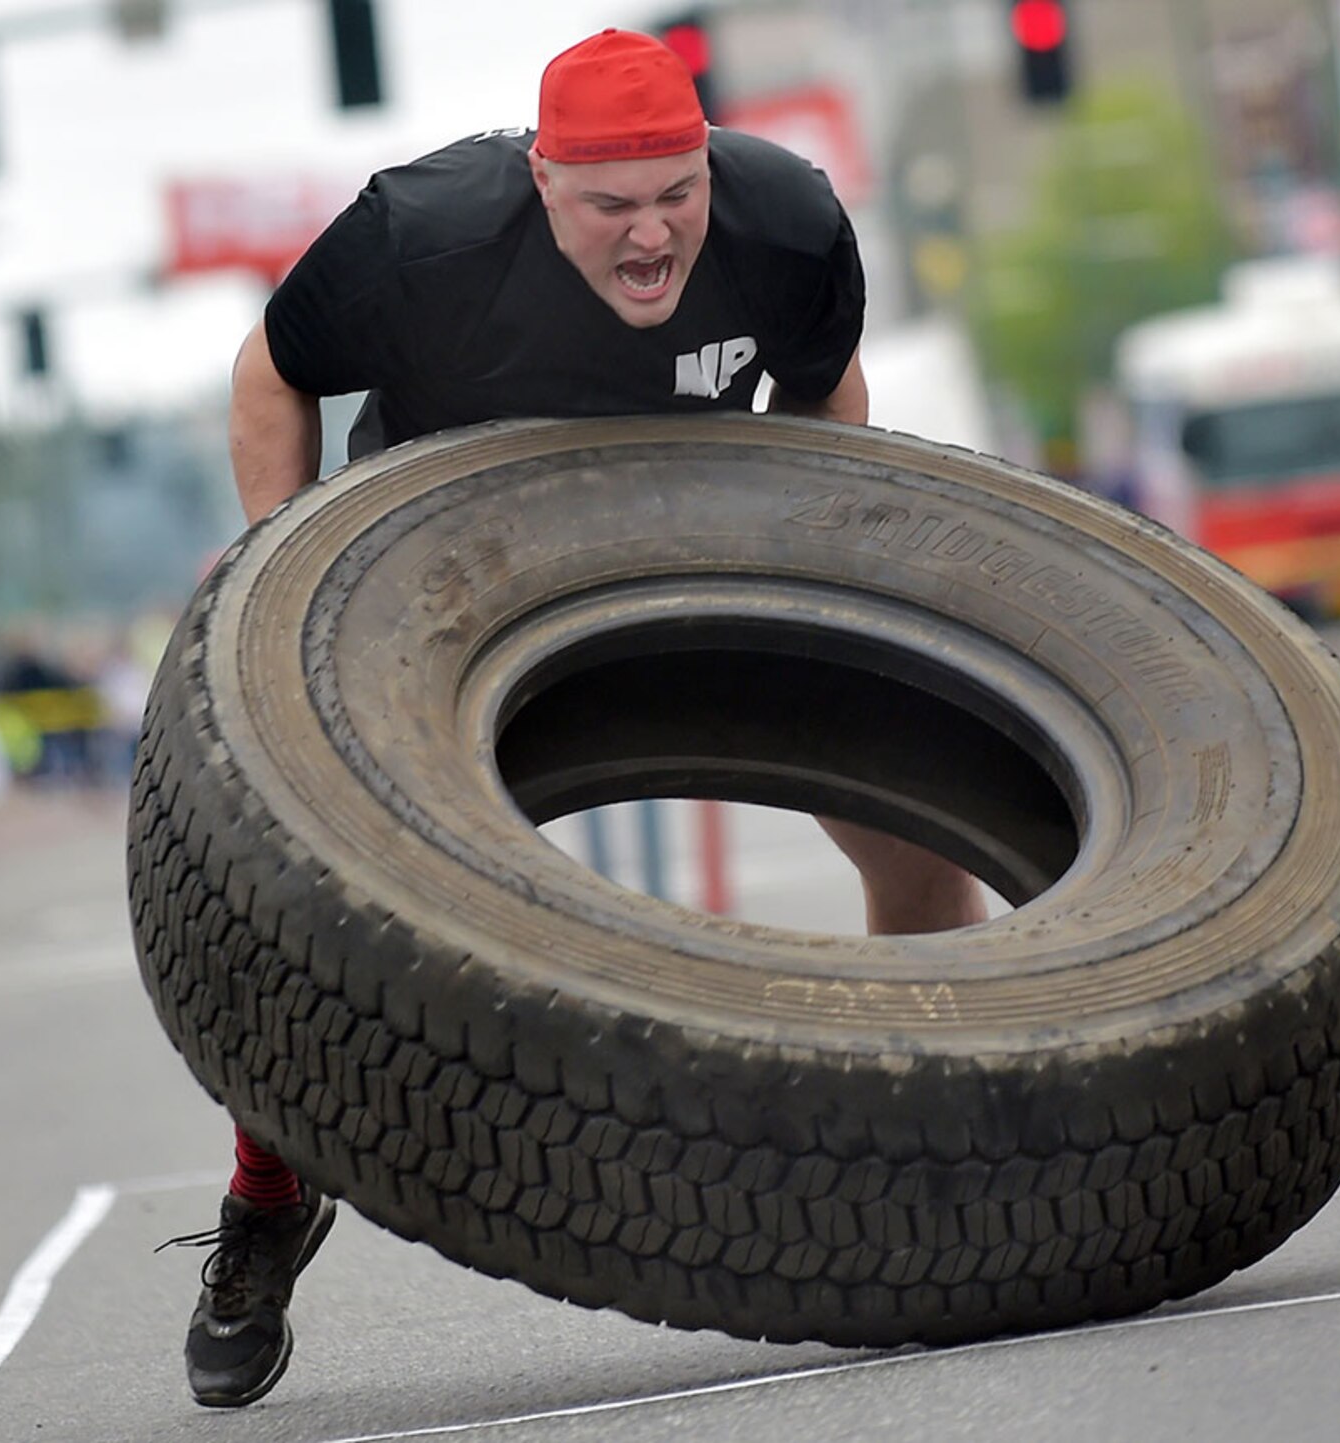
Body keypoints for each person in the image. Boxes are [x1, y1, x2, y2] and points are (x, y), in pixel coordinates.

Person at [164, 28, 989, 1409]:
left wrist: (824, 555)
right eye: (611, 206)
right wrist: (281, 578)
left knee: (907, 807)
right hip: (445, 600)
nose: (652, 232)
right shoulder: (418, 238)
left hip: (693, 558)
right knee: (298, 903)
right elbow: (272, 370)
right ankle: (269, 1193)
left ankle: (946, 1136)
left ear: (709, 166)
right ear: (542, 183)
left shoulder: (784, 219)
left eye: (677, 192)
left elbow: (828, 389)